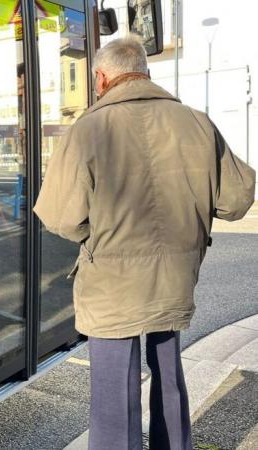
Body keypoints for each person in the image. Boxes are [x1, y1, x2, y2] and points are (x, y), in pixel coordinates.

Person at [33, 36, 255, 450]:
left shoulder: (89, 129)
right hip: (173, 277)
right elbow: (238, 199)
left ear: (101, 78)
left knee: (114, 393)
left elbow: (60, 216)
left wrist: (98, 236)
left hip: (110, 284)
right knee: (169, 374)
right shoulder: (197, 122)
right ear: (146, 73)